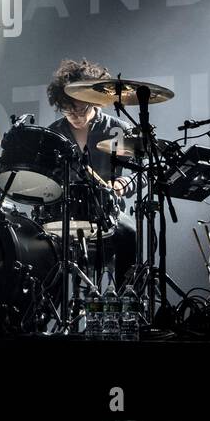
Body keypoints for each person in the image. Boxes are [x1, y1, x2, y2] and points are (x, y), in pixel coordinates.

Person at [44, 57, 138, 286]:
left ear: (95, 101)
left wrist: (124, 184)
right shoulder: (53, 135)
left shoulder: (118, 129)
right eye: (68, 112)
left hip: (110, 212)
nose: (74, 117)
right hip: (65, 212)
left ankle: (125, 299)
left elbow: (141, 171)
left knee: (131, 234)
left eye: (79, 110)